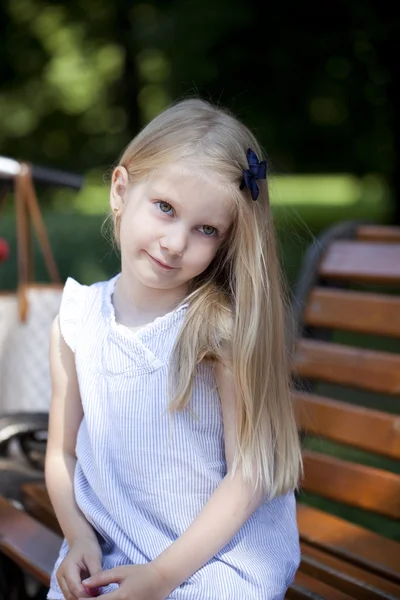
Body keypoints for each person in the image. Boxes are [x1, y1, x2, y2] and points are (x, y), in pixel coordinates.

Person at [45, 98, 302, 600]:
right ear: (121, 191)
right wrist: (77, 537)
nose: (175, 243)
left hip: (218, 555)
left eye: (205, 229)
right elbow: (62, 452)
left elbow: (249, 475)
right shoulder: (76, 319)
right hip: (116, 541)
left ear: (226, 242)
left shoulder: (217, 333)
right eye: (165, 208)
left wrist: (162, 577)